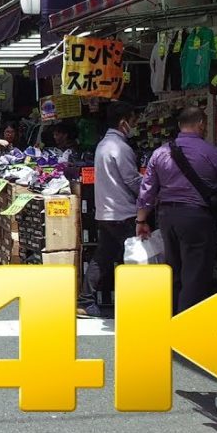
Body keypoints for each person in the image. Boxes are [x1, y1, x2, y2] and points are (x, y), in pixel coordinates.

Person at [137, 107, 217, 312]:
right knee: (194, 275)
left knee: (174, 272)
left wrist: (141, 221)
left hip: (167, 217)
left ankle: (169, 323)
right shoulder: (211, 153)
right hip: (196, 217)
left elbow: (147, 191)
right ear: (202, 124)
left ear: (179, 126)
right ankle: (185, 331)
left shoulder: (159, 154)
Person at [79, 102, 140, 319]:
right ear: (124, 122)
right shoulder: (121, 148)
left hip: (105, 212)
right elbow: (132, 180)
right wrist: (152, 190)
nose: (135, 125)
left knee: (102, 257)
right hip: (123, 212)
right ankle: (137, 304)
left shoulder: (103, 145)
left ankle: (85, 301)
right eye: (133, 121)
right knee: (136, 257)